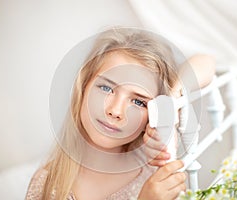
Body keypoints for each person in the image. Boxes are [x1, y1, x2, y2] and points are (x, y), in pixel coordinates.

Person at [26, 27, 215, 200]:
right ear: (83, 88)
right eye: (106, 88)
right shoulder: (47, 183)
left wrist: (170, 103)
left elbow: (207, 62)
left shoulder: (152, 164)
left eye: (138, 101)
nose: (115, 111)